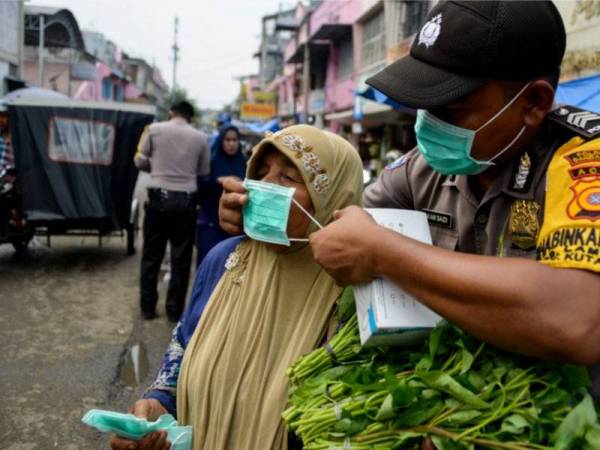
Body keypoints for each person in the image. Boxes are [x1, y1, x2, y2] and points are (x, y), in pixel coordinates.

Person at [218, 0, 600, 405]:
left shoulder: (584, 160)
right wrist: (268, 214)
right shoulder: (420, 170)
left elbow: (578, 319)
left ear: (534, 103)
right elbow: (342, 234)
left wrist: (386, 253)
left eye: (451, 108)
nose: (428, 124)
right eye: (423, 105)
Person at [111, 125, 363, 450]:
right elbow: (183, 345)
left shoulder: (352, 295)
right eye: (260, 172)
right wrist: (159, 404)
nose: (265, 185)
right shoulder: (225, 258)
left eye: (288, 178)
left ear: (334, 199)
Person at [134, 101, 210, 322]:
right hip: (186, 203)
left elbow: (139, 160)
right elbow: (203, 170)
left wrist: (155, 167)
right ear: (190, 117)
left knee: (151, 255)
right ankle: (174, 311)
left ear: (171, 112)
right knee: (181, 258)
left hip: (158, 200)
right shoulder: (200, 137)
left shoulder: (154, 130)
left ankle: (148, 308)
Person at [196, 125, 247, 267]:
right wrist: (218, 181)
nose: (231, 144)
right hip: (210, 223)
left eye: (235, 140)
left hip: (235, 226)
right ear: (221, 141)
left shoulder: (245, 163)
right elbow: (200, 187)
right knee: (209, 264)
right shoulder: (211, 162)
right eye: (227, 140)